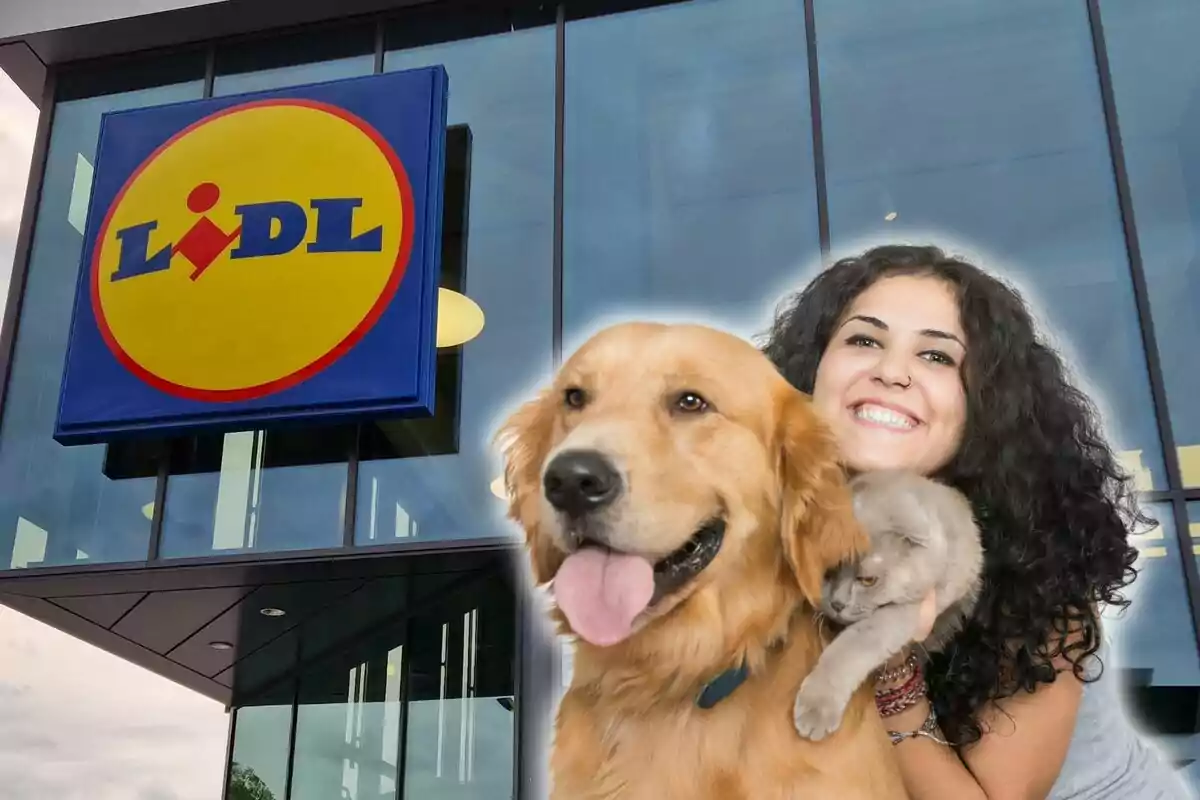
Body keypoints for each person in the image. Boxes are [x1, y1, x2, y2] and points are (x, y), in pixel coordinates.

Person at [760, 244, 1194, 799]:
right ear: (811, 370)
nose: (891, 371)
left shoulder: (1034, 574)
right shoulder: (758, 525)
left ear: (981, 408)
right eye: (864, 340)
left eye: (937, 357)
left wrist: (888, 667)